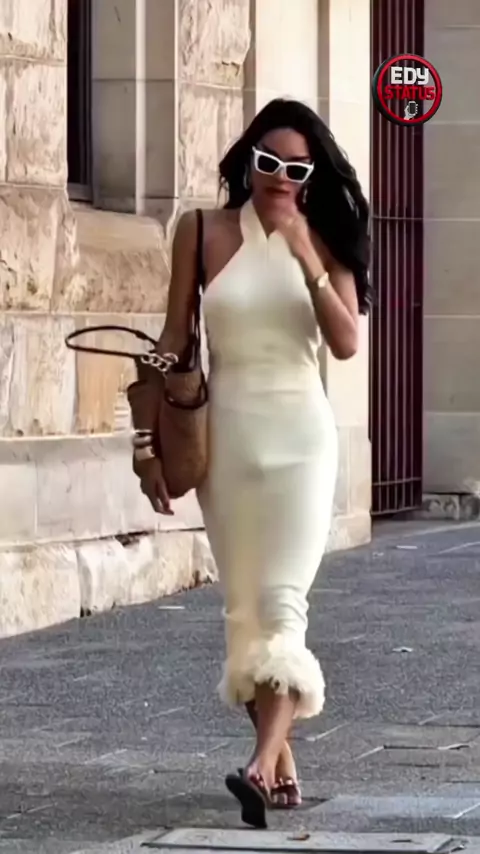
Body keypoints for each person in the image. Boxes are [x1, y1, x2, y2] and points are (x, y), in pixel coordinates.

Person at [135, 98, 371, 828]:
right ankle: (280, 764)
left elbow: (346, 343)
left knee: (283, 603)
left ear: (311, 176)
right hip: (228, 439)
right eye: (268, 162)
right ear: (249, 161)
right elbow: (173, 341)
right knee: (245, 609)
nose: (279, 176)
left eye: (296, 168)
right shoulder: (202, 230)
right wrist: (148, 447)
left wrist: (304, 252)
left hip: (301, 438)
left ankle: (260, 765)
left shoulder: (326, 238)